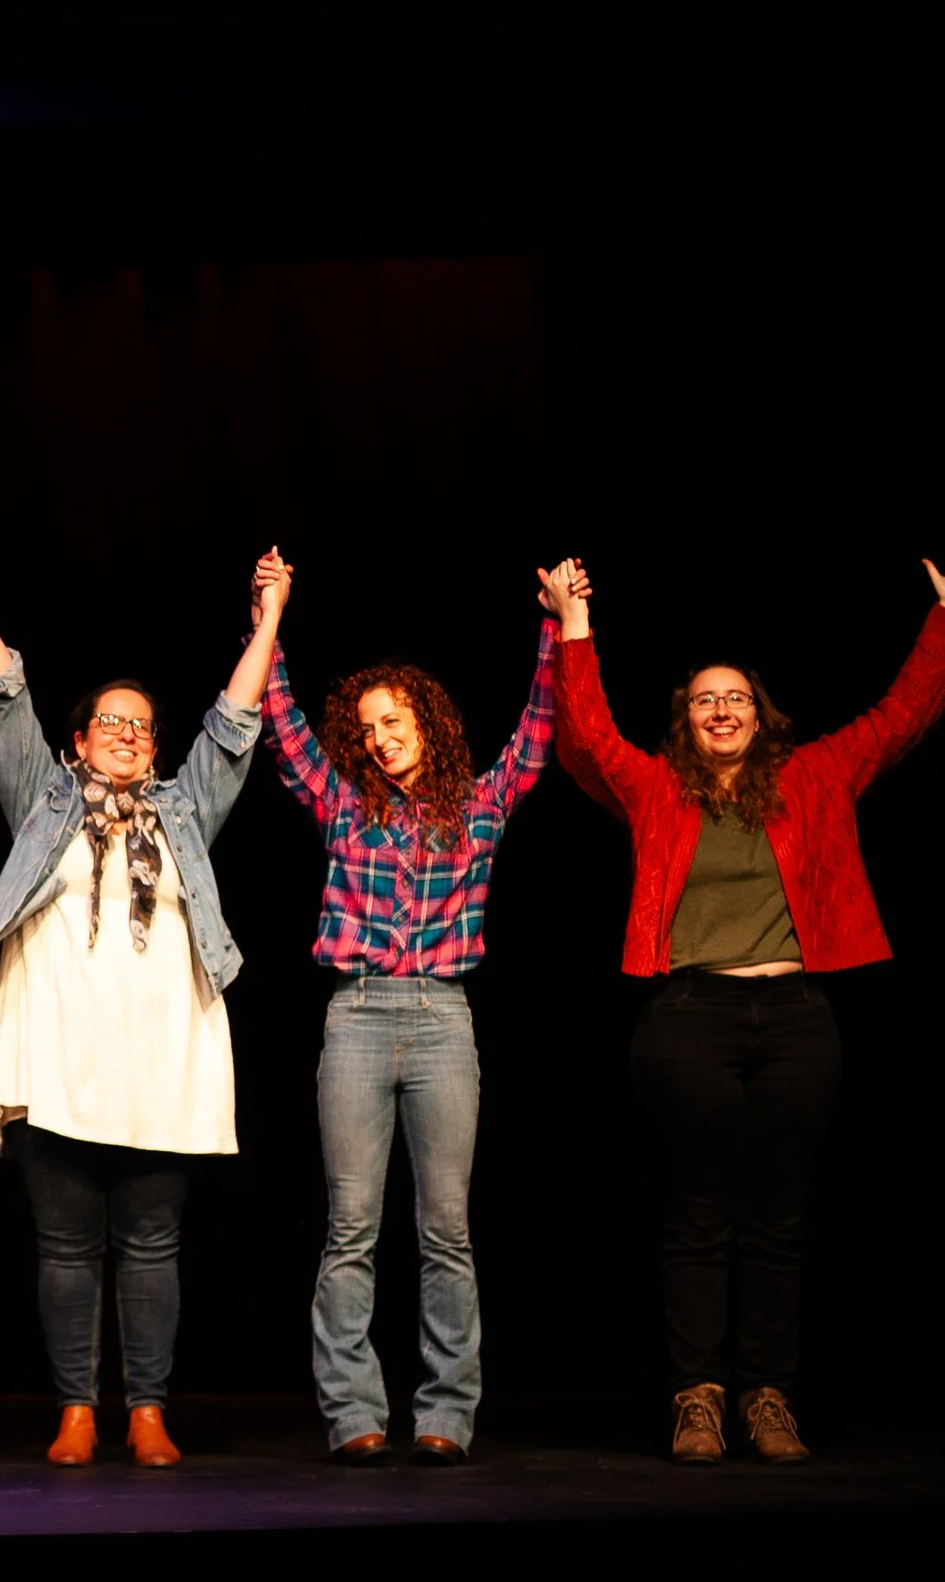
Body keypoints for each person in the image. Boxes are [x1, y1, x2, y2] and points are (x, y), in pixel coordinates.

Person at [545, 557, 945, 1464]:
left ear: (760, 714)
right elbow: (587, 736)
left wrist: (944, 620)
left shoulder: (816, 776)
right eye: (702, 701)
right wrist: (573, 623)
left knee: (776, 1217)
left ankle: (769, 1397)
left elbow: (902, 716)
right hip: (689, 1018)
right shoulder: (657, 789)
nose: (721, 710)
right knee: (698, 1215)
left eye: (736, 699)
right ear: (686, 720)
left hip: (796, 1018)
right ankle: (698, 1399)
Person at [0, 546, 288, 1468]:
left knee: (151, 1245)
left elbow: (235, 726)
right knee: (66, 1246)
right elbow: (4, 696)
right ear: (75, 743)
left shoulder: (184, 810)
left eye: (142, 725)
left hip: (161, 1062)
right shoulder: (40, 798)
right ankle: (75, 1410)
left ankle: (146, 1408)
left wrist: (267, 620)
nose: (127, 732)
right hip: (58, 1061)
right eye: (109, 720)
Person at [261, 550, 579, 1465]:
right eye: (365, 726)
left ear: (425, 723)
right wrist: (273, 616)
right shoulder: (340, 801)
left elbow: (541, 727)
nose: (378, 737)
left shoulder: (478, 806)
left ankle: (445, 1413)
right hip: (356, 1014)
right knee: (351, 1225)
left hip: (443, 1018)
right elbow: (280, 727)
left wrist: (556, 624)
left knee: (445, 1227)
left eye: (392, 720)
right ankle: (354, 1412)